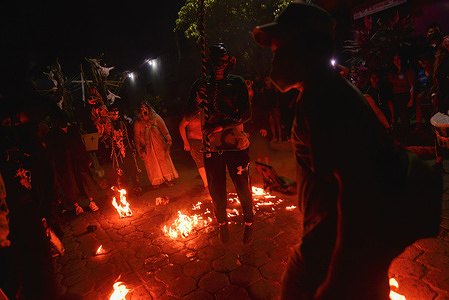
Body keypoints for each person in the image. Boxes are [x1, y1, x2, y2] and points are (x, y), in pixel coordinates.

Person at [253, 2, 441, 299]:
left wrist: (337, 283)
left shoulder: (322, 99)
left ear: (310, 48)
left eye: (280, 49)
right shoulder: (322, 92)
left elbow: (356, 193)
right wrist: (291, 186)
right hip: (340, 255)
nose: (274, 58)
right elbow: (336, 176)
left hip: (325, 256)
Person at [183, 43, 254, 244]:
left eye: (222, 61)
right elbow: (187, 115)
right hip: (211, 148)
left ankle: (249, 222)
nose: (219, 66)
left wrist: (220, 126)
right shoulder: (201, 84)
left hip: (236, 146)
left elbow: (246, 114)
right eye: (215, 62)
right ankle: (222, 224)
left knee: (242, 187)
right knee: (216, 190)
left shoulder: (237, 82)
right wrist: (198, 100)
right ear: (209, 63)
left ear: (229, 61)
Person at [133, 101, 178, 188]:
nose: (144, 109)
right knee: (151, 164)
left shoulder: (156, 118)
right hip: (147, 147)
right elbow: (137, 137)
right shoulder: (138, 123)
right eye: (142, 108)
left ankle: (168, 179)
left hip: (159, 145)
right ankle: (156, 182)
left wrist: (168, 143)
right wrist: (140, 150)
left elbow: (165, 131)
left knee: (164, 162)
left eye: (145, 107)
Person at [109, 106, 142, 194]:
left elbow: (130, 135)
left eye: (116, 111)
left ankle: (136, 186)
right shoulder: (108, 125)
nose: (115, 113)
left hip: (127, 149)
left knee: (132, 168)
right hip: (116, 153)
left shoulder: (124, 123)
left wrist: (132, 147)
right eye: (112, 111)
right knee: (120, 170)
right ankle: (124, 190)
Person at [387, 52, 415, 143]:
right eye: (394, 60)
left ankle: (406, 135)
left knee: (404, 115)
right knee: (396, 115)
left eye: (398, 59)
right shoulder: (392, 72)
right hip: (396, 95)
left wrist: (411, 98)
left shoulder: (408, 70)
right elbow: (392, 82)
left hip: (405, 95)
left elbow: (411, 85)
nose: (396, 61)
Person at [432, 35, 449, 172]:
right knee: (441, 132)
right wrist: (433, 93)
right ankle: (439, 162)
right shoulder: (440, 60)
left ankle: (439, 162)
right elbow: (436, 80)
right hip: (444, 101)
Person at [179, 111, 208, 189]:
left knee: (208, 162)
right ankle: (206, 184)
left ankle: (211, 183)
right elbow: (181, 127)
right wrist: (186, 142)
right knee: (200, 163)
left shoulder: (205, 112)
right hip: (194, 141)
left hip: (205, 141)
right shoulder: (190, 114)